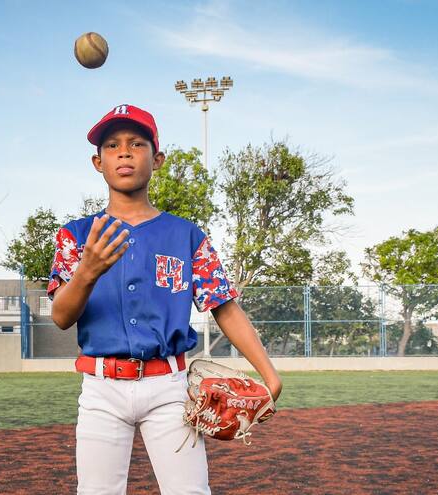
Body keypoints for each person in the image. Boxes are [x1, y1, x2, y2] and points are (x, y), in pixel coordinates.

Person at [47, 103, 283, 494]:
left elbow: (223, 305)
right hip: (101, 388)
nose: (124, 152)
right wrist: (87, 271)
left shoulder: (185, 235)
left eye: (137, 143)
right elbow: (61, 316)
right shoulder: (76, 235)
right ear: (97, 161)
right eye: (112, 145)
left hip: (170, 387)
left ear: (156, 159)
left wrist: (269, 374)